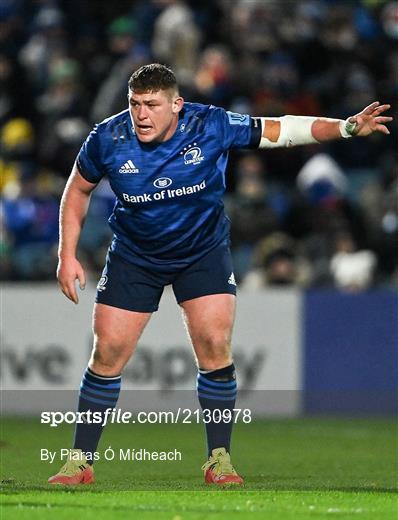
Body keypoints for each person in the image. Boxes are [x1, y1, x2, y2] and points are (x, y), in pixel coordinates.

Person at [48, 63, 392, 486]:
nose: (141, 115)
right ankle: (79, 461)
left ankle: (218, 459)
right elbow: (76, 190)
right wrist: (67, 254)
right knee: (107, 353)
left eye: (152, 105)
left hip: (201, 252)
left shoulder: (210, 124)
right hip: (135, 255)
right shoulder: (108, 138)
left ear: (177, 104)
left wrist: (346, 128)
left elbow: (280, 130)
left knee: (214, 346)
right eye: (135, 104)